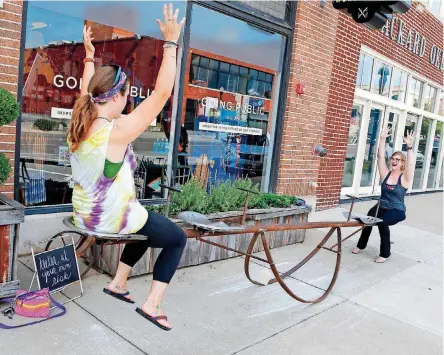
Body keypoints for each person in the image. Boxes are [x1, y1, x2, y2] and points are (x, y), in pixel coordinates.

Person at [67, 4, 186, 331]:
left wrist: (89, 57)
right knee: (176, 238)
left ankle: (119, 282)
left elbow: (85, 91)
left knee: (147, 224)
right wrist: (171, 44)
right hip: (108, 216)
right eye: (127, 94)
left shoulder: (81, 123)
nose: (129, 100)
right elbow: (162, 92)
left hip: (85, 212)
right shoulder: (116, 133)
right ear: (116, 96)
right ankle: (153, 305)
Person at [352, 128, 416, 263]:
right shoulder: (385, 174)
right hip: (381, 206)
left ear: (402, 163)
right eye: (393, 158)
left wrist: (409, 146)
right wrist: (382, 139)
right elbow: (380, 157)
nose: (394, 160)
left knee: (383, 223)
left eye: (397, 159)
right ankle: (360, 246)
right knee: (367, 221)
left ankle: (385, 253)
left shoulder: (405, 178)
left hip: (396, 210)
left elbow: (411, 164)